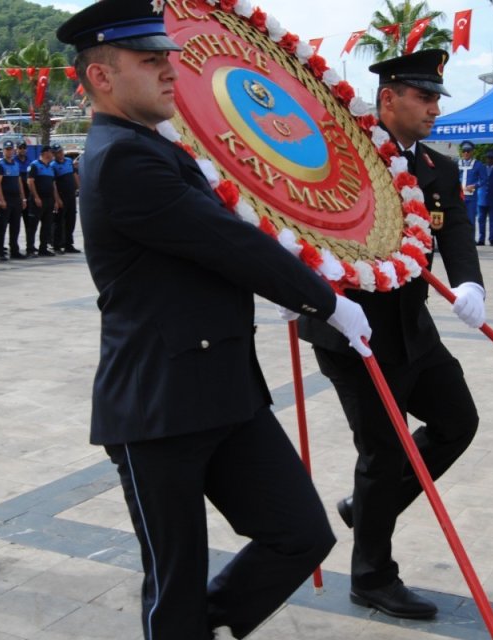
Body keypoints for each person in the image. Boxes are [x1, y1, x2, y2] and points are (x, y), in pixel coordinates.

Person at [59, 3, 372, 637]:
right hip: (158, 405)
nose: (171, 72)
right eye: (150, 62)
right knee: (174, 580)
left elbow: (215, 244)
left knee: (300, 534)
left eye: (169, 57)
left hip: (225, 390)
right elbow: (225, 241)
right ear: (101, 79)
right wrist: (326, 300)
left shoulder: (151, 147)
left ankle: (207, 627)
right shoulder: (121, 157)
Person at [299, 48, 485, 621]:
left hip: (412, 325)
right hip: (350, 326)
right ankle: (372, 576)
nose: (434, 108)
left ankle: (368, 508)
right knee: (382, 451)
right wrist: (300, 289)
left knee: (457, 422)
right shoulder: (343, 157)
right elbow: (302, 218)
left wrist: (470, 284)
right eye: (424, 97)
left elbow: (452, 229)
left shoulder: (437, 168)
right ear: (388, 98)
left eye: (436, 98)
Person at [0, 140, 27, 259]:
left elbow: (19, 182)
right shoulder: (0, 164)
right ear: (3, 151)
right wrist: (1, 200)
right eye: (6, 149)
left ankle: (14, 250)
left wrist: (23, 198)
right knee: (2, 226)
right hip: (6, 198)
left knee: (15, 226)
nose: (9, 151)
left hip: (15, 199)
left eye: (10, 149)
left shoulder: (15, 163)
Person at [26, 145, 59, 256]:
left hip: (49, 200)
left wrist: (55, 200)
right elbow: (30, 182)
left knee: (47, 225)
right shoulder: (34, 165)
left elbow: (53, 185)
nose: (52, 154)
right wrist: (36, 197)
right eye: (51, 152)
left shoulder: (50, 167)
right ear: (45, 153)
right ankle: (30, 248)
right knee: (33, 225)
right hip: (38, 200)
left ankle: (43, 248)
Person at [470, 149, 493, 245]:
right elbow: (476, 180)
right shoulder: (481, 168)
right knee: (481, 220)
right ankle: (481, 239)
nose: (490, 160)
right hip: (481, 198)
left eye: (492, 158)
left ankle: (492, 239)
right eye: (488, 158)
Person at [51, 145, 80, 253]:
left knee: (71, 220)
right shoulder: (53, 165)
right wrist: (57, 199)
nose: (61, 153)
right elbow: (53, 184)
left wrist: (79, 187)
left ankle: (69, 244)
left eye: (61, 151)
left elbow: (74, 175)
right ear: (54, 154)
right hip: (61, 195)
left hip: (71, 195)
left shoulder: (68, 161)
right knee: (59, 221)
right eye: (58, 152)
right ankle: (57, 245)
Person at [457, 141, 479, 213]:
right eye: (464, 151)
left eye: (468, 151)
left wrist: (474, 185)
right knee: (459, 219)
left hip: (471, 197)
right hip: (459, 197)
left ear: (472, 152)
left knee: (470, 220)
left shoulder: (478, 164)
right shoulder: (457, 163)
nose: (466, 153)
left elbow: (484, 180)